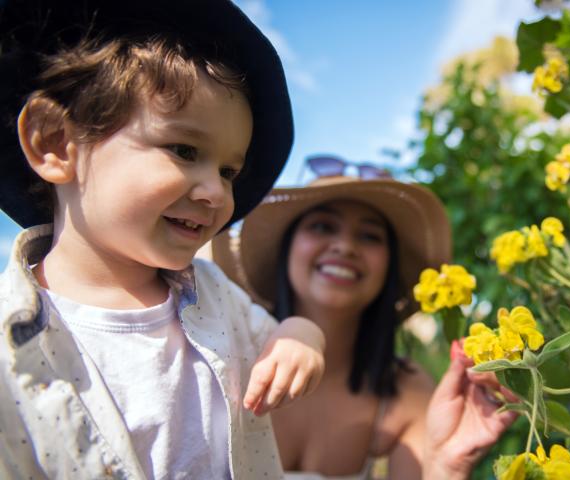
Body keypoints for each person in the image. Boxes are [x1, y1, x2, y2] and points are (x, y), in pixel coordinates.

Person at [0, 1, 326, 478]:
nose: (216, 191)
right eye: (184, 150)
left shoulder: (213, 296)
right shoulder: (10, 350)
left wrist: (302, 338)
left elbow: (281, 333)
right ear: (54, 141)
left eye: (229, 171)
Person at [208, 168, 517, 479]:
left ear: (390, 268)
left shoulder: (406, 389)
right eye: (322, 226)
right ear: (286, 248)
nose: (344, 246)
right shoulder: (222, 357)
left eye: (370, 235)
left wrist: (448, 466)